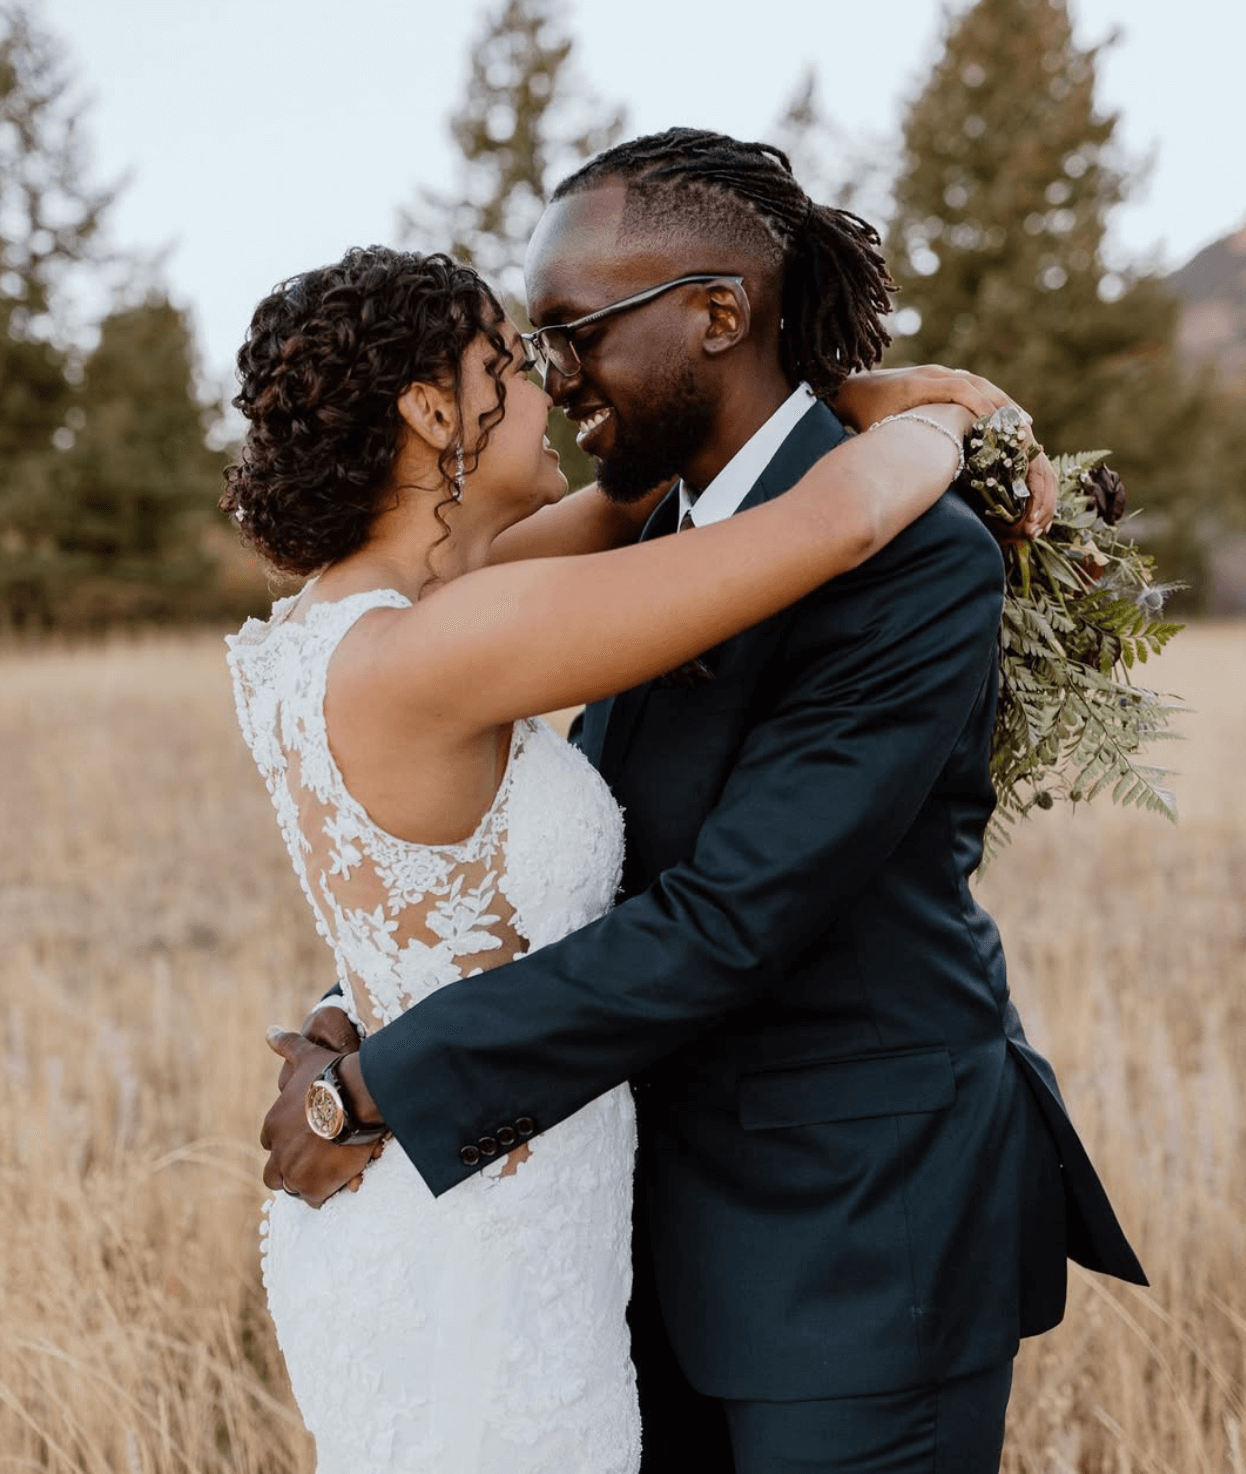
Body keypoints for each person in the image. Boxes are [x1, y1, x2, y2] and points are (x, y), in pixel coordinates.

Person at [226, 233, 1008, 1473]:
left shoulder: (340, 624)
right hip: (484, 1215)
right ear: (437, 410)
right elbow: (839, 518)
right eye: (516, 361)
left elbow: (642, 493)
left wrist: (833, 398)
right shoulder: (450, 637)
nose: (556, 384)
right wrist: (950, 426)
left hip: (461, 1196)